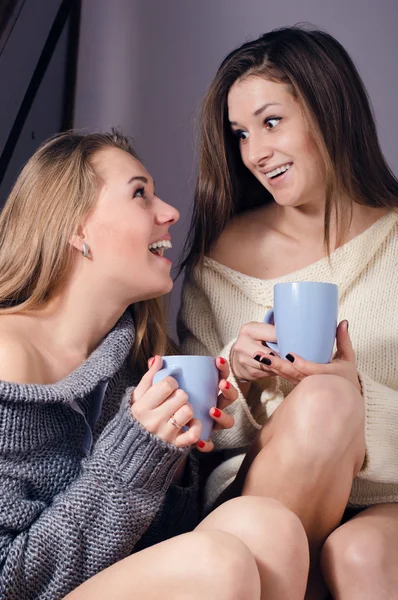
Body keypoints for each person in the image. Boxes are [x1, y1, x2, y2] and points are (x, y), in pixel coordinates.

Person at [0, 130, 310, 600]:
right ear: (76, 227)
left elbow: (155, 544)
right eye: (139, 193)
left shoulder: (136, 357)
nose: (170, 212)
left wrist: (174, 450)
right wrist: (137, 448)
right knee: (216, 563)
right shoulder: (8, 354)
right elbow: (10, 578)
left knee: (270, 527)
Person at [179, 26, 398, 599]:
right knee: (323, 399)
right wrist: (237, 372)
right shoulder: (220, 258)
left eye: (271, 123)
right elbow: (198, 437)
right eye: (242, 134)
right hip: (265, 489)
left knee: (363, 553)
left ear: (329, 111)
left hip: (389, 497)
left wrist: (360, 397)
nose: (254, 154)